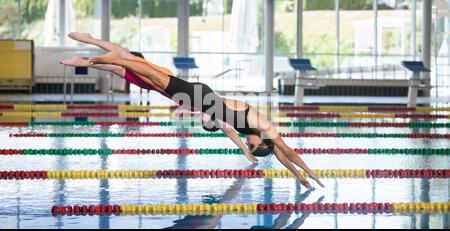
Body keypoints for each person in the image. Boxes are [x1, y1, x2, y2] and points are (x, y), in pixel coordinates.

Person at [61, 33, 324, 189]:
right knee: (147, 72)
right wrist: (309, 172)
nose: (249, 144)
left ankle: (98, 57)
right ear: (262, 141)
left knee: (148, 77)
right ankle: (98, 58)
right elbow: (287, 151)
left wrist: (294, 175)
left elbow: (249, 141)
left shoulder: (249, 130)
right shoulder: (265, 128)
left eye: (250, 146)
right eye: (252, 146)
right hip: (199, 96)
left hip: (197, 100)